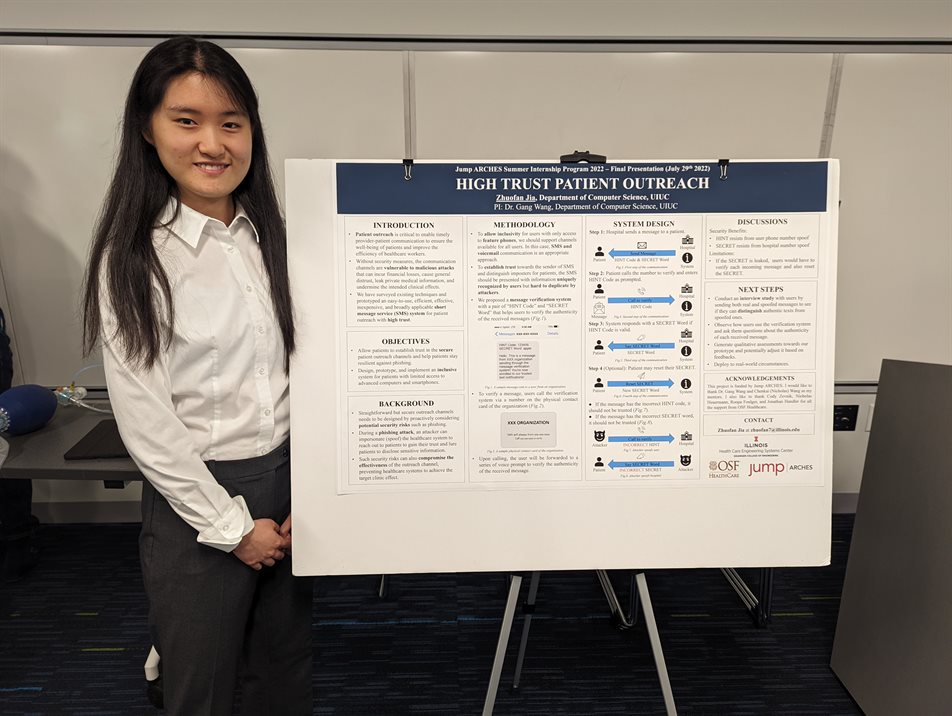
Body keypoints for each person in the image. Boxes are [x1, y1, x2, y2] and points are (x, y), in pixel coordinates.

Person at [82, 37, 312, 715]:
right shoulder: (135, 258)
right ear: (147, 130)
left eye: (231, 123)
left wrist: (316, 490)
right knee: (200, 686)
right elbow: (146, 421)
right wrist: (233, 528)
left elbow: (308, 372)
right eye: (187, 121)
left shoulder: (277, 239)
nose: (213, 143)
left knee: (284, 673)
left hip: (289, 485)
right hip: (196, 497)